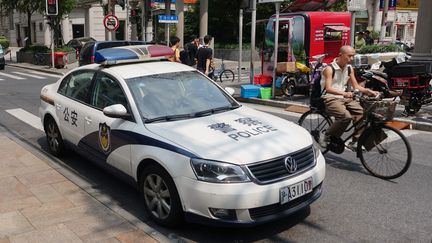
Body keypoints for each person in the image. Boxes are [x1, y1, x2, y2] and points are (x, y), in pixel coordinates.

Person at [320, 45, 379, 150]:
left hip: (343, 97)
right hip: (330, 97)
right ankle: (326, 135)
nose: (351, 59)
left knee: (361, 112)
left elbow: (356, 86)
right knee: (345, 117)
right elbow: (328, 88)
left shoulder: (349, 68)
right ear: (340, 55)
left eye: (353, 56)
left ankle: (356, 141)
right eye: (349, 56)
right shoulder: (329, 69)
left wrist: (369, 91)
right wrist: (345, 93)